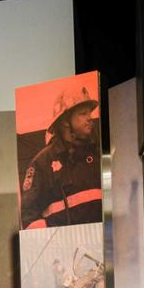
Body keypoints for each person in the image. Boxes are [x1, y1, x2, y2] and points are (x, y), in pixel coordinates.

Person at [20, 86, 102, 229]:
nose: (90, 118)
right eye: (83, 113)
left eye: (90, 113)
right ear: (65, 121)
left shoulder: (96, 154)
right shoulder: (43, 162)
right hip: (63, 242)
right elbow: (30, 218)